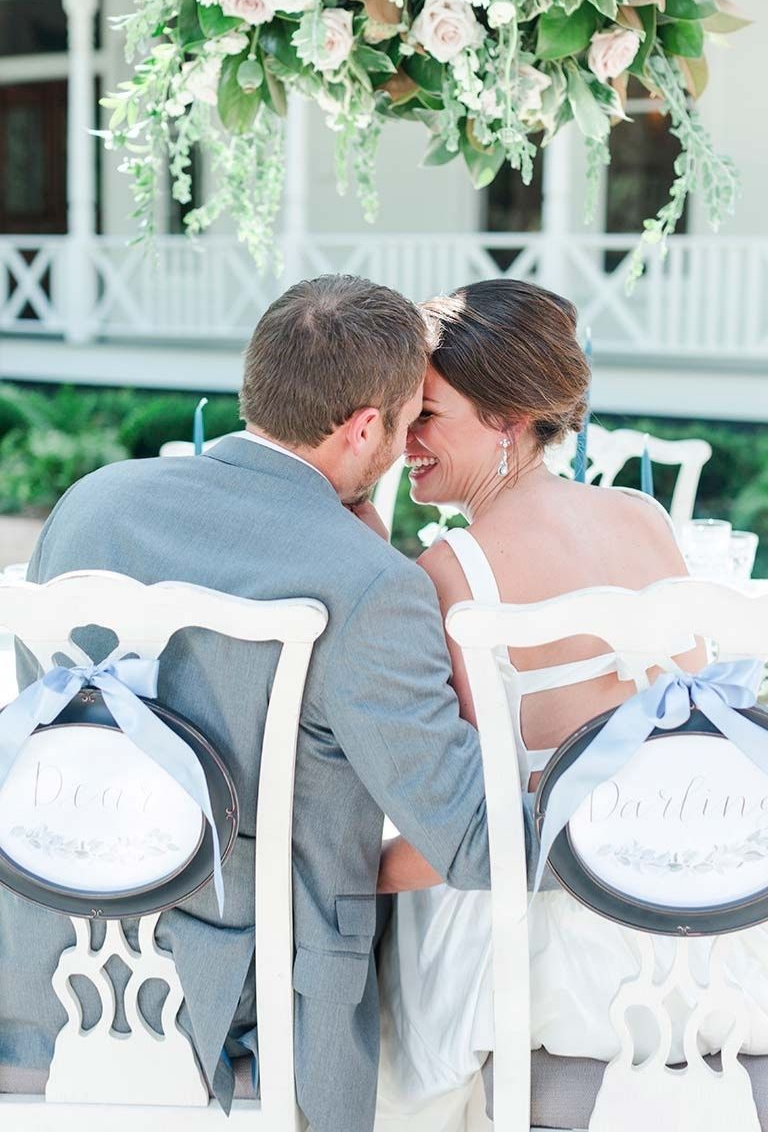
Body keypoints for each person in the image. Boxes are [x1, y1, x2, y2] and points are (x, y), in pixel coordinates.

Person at [6, 275, 550, 1132]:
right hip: (259, 1015)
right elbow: (480, 848)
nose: (410, 444)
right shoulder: (372, 587)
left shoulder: (90, 506)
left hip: (48, 969)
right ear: (367, 427)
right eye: (411, 418)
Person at [375, 279, 768, 1131]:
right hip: (716, 924)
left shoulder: (451, 573)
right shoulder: (643, 519)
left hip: (546, 953)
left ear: (505, 418)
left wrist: (338, 875)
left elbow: (471, 832)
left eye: (427, 415)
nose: (402, 440)